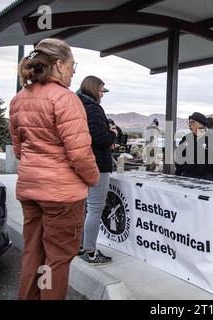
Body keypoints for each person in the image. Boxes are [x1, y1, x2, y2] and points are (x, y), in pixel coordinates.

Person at [9, 38, 100, 299]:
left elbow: (18, 149)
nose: (74, 71)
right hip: (61, 196)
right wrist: (92, 178)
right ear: (59, 65)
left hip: (30, 190)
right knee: (56, 260)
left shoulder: (18, 100)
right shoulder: (66, 99)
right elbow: (80, 154)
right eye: (72, 65)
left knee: (33, 254)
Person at [77, 76, 118, 264]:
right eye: (102, 90)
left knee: (85, 208)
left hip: (83, 162)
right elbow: (100, 138)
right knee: (95, 209)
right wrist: (112, 134)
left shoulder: (77, 105)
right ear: (94, 89)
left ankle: (80, 245)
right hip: (97, 165)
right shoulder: (92, 108)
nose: (103, 94)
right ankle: (90, 251)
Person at [175, 112, 213, 182]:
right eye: (189, 122)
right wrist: (178, 175)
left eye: (192, 122)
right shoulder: (186, 139)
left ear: (201, 124)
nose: (189, 124)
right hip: (187, 177)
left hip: (206, 180)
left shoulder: (212, 140)